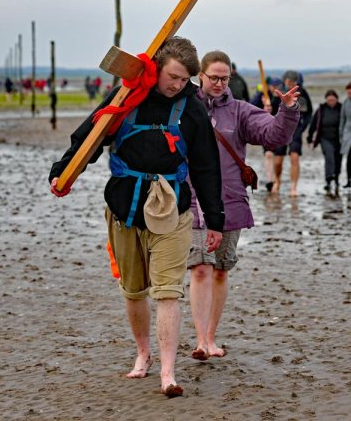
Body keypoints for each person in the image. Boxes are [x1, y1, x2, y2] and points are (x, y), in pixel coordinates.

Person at [49, 37, 225, 397]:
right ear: (158, 67)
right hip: (123, 206)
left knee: (167, 292)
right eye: (173, 76)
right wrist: (63, 171)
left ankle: (168, 373)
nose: (177, 85)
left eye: (184, 79)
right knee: (133, 291)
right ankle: (143, 354)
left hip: (172, 208)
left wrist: (216, 218)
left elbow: (207, 165)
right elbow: (90, 137)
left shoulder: (190, 109)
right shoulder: (126, 97)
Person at [188, 50, 300, 360]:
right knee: (199, 269)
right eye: (214, 77)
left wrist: (287, 110)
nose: (220, 83)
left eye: (225, 78)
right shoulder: (185, 107)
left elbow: (273, 136)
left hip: (229, 201)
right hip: (193, 201)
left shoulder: (239, 111)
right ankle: (199, 342)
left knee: (221, 271)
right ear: (200, 75)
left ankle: (211, 338)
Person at [271, 70, 312, 195]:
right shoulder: (278, 93)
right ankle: (277, 180)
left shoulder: (302, 93)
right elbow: (272, 110)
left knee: (294, 157)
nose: (290, 83)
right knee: (278, 160)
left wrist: (303, 127)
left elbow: (309, 112)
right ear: (284, 81)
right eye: (288, 81)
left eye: (293, 81)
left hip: (296, 129)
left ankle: (293, 187)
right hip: (280, 129)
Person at [307, 89, 342, 194]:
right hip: (324, 138)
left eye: (333, 100)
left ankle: (336, 179)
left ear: (336, 99)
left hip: (339, 139)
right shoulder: (321, 109)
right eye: (329, 100)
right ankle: (328, 180)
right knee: (329, 156)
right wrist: (310, 137)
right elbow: (313, 124)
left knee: (338, 159)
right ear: (326, 100)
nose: (331, 102)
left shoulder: (342, 108)